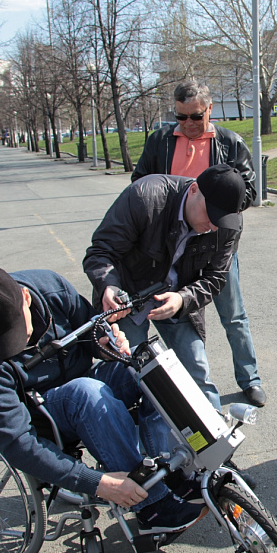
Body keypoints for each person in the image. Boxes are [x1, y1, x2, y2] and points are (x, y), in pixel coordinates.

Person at [0, 268, 206, 535]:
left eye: (15, 331)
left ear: (26, 297)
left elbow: (90, 331)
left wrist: (106, 345)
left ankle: (170, 469)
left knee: (148, 365)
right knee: (85, 393)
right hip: (37, 410)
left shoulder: (51, 287)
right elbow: (16, 440)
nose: (12, 345)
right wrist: (97, 482)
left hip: (80, 376)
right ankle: (153, 506)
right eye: (1, 341)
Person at [130, 80, 266, 407]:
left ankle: (250, 379)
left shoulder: (230, 143)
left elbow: (249, 191)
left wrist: (213, 203)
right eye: (180, 117)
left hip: (217, 244)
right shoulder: (160, 142)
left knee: (233, 316)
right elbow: (140, 183)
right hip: (174, 247)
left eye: (195, 117)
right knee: (183, 318)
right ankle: (195, 389)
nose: (188, 124)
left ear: (209, 110)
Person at [84, 164, 246, 412]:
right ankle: (141, 442)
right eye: (210, 214)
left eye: (220, 220)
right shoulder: (145, 197)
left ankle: (216, 443)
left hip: (177, 300)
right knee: (138, 373)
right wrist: (109, 285)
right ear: (193, 190)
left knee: (196, 371)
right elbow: (101, 251)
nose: (214, 226)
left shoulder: (228, 223)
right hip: (129, 298)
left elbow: (216, 278)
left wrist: (182, 299)